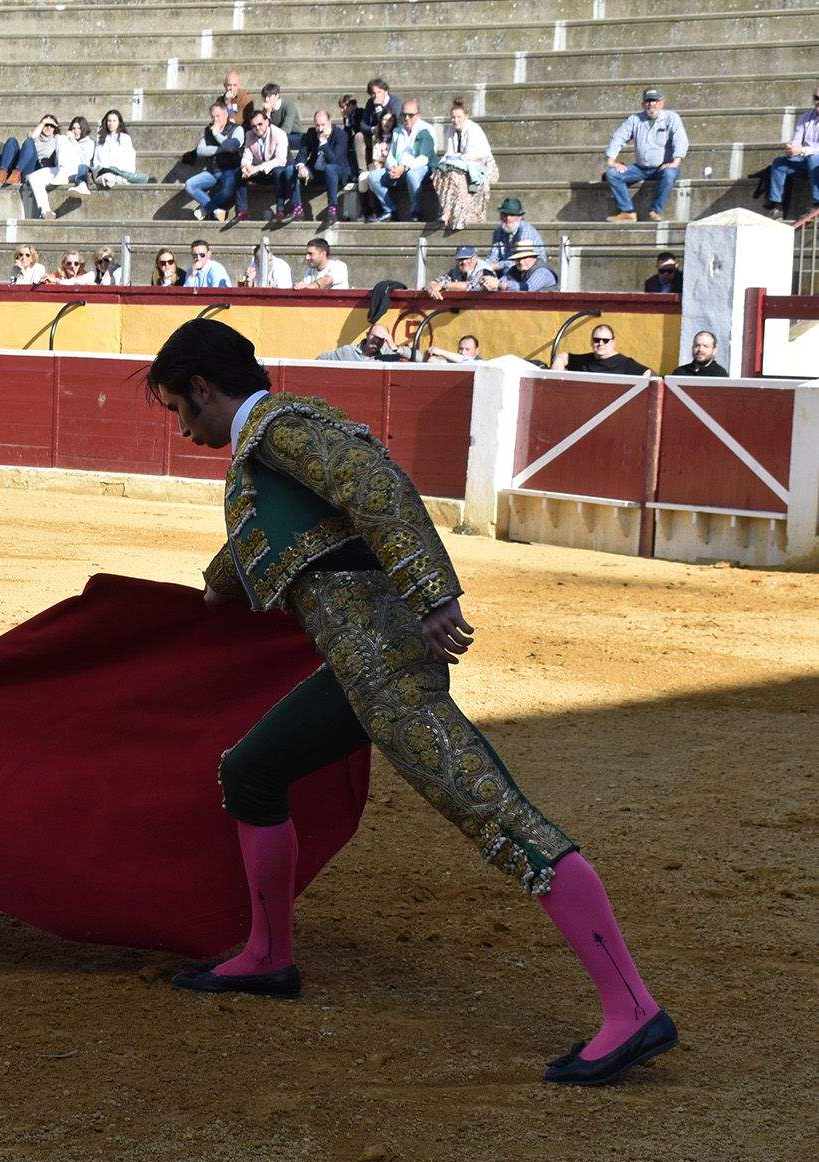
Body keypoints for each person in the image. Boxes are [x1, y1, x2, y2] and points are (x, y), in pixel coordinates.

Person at [147, 318, 677, 1088]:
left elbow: (377, 489)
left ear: (202, 387)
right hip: (357, 674)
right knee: (252, 770)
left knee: (497, 814)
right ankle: (268, 955)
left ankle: (633, 1007)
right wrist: (218, 583)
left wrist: (434, 595)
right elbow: (291, 532)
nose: (182, 428)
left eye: (178, 410)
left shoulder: (281, 431)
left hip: (390, 667)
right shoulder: (278, 434)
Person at [604, 88, 688, 223]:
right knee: (612, 174)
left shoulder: (671, 118)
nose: (651, 104)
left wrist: (675, 162)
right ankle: (628, 212)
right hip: (640, 168)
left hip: (662, 167)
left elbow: (681, 139)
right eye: (648, 101)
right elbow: (618, 137)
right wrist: (612, 160)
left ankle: (655, 211)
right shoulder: (634, 119)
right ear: (643, 104)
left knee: (670, 174)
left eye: (655, 101)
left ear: (661, 103)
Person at [364, 99, 434, 221]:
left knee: (412, 175)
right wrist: (392, 167)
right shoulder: (398, 131)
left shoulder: (426, 130)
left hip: (420, 168)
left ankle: (415, 212)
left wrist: (404, 167)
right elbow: (391, 155)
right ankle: (390, 211)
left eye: (410, 115)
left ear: (418, 115)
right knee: (373, 177)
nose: (406, 118)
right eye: (403, 114)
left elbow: (424, 158)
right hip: (400, 168)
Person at [223, 109, 294, 227]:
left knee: (278, 171)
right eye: (254, 126)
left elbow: (280, 160)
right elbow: (246, 156)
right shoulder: (250, 135)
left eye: (260, 124)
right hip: (261, 173)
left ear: (267, 121)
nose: (257, 128)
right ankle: (242, 211)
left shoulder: (279, 134)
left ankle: (280, 211)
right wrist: (246, 167)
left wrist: (257, 168)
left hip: (277, 171)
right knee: (238, 172)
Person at [432, 99, 495, 231]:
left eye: (459, 117)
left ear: (466, 116)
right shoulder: (450, 129)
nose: (456, 120)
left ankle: (460, 216)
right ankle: (448, 211)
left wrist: (454, 160)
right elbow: (450, 152)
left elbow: (470, 155)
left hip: (481, 164)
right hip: (461, 164)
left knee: (455, 175)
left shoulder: (473, 130)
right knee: (441, 173)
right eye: (453, 117)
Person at [765, 87, 819, 219]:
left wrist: (801, 150)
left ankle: (817, 205)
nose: (818, 102)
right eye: (816, 98)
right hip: (806, 161)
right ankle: (777, 205)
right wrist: (791, 149)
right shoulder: (806, 117)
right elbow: (797, 140)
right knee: (779, 163)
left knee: (813, 158)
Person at [184, 102, 243, 221]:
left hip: (230, 169)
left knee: (227, 190)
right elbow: (200, 150)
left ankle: (206, 208)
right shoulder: (207, 130)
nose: (215, 119)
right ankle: (215, 210)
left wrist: (217, 134)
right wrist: (222, 149)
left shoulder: (237, 129)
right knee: (190, 185)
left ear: (226, 115)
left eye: (218, 116)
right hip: (213, 170)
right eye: (212, 116)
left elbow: (232, 147)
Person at [27, 116, 95, 217]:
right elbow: (33, 138)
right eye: (73, 128)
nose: (76, 131)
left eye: (79, 128)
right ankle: (45, 211)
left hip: (76, 171)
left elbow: (83, 161)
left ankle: (62, 173)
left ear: (84, 129)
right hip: (61, 170)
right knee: (33, 177)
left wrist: (73, 141)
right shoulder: (65, 140)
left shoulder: (89, 143)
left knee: (62, 138)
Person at [295, 109, 351, 224]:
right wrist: (301, 166)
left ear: (329, 122)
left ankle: (332, 208)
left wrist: (323, 143)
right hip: (317, 169)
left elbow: (334, 160)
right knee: (293, 170)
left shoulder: (341, 135)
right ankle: (297, 208)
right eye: (317, 125)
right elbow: (302, 153)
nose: (319, 129)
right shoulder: (311, 133)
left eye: (323, 125)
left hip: (337, 171)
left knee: (330, 168)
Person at [553, 323, 651, 374]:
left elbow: (648, 374)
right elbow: (563, 357)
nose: (600, 343)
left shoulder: (626, 364)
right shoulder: (584, 361)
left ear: (613, 342)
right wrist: (557, 367)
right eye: (596, 340)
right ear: (591, 341)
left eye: (605, 340)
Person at [0, 115, 58, 187]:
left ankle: (17, 173)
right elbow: (32, 137)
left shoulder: (57, 140)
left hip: (33, 170)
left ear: (55, 128)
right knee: (12, 140)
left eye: (52, 126)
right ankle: (2, 173)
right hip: (20, 166)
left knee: (29, 142)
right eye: (46, 125)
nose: (48, 128)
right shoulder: (34, 135)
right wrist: (43, 122)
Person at [486, 197, 545, 270]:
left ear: (520, 217)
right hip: (507, 269)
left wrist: (498, 265)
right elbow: (493, 257)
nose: (508, 218)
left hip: (531, 269)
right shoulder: (498, 232)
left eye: (512, 215)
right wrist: (484, 266)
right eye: (505, 215)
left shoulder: (525, 231)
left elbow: (521, 260)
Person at [91, 109, 146, 187]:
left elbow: (128, 159)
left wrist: (116, 170)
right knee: (105, 176)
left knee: (114, 174)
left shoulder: (125, 138)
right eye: (109, 121)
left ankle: (115, 179)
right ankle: (110, 179)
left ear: (119, 123)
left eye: (114, 121)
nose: (111, 123)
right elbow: (96, 160)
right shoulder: (100, 140)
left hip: (119, 172)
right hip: (103, 171)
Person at [357, 78, 403, 167]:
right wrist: (372, 129)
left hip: (391, 136)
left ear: (386, 91)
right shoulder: (370, 103)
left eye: (379, 92)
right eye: (373, 93)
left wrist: (378, 108)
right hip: (375, 133)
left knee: (377, 136)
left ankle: (379, 165)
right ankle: (362, 170)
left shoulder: (395, 102)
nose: (376, 96)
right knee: (359, 137)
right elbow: (363, 124)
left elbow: (390, 124)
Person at [483, 244, 558, 292]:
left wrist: (500, 285)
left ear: (534, 257)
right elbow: (502, 281)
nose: (521, 262)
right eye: (518, 259)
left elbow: (529, 288)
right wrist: (490, 284)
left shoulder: (542, 271)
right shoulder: (514, 269)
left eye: (525, 258)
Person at [317, 322, 405, 362]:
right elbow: (320, 359)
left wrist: (395, 348)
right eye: (374, 336)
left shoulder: (389, 355)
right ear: (367, 335)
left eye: (381, 339)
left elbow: (417, 360)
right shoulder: (348, 351)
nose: (377, 341)